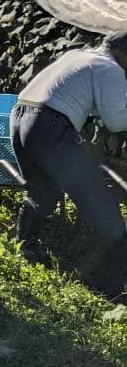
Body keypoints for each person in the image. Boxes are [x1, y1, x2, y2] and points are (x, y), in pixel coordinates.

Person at [10, 31, 127, 298]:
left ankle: (24, 246)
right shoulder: (110, 68)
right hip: (51, 125)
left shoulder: (80, 56)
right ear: (122, 54)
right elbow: (116, 121)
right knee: (99, 202)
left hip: (21, 117)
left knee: (43, 192)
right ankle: (109, 283)